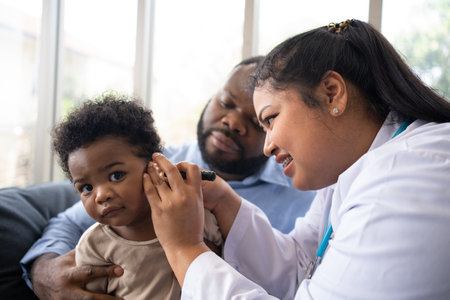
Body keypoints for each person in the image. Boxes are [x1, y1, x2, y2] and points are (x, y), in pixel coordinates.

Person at [143, 19, 450, 299]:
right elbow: (304, 266)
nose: (267, 146)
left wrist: (184, 249)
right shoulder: (352, 167)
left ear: (332, 93)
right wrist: (224, 201)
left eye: (270, 119)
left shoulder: (402, 183)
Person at [21, 56, 315, 299]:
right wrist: (44, 271)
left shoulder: (306, 189)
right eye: (226, 103)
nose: (233, 122)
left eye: (255, 120)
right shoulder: (152, 166)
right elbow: (69, 224)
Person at [49, 95, 223, 299]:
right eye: (86, 187)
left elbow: (226, 271)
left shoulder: (193, 217)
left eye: (116, 176)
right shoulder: (93, 246)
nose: (101, 195)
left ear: (153, 167)